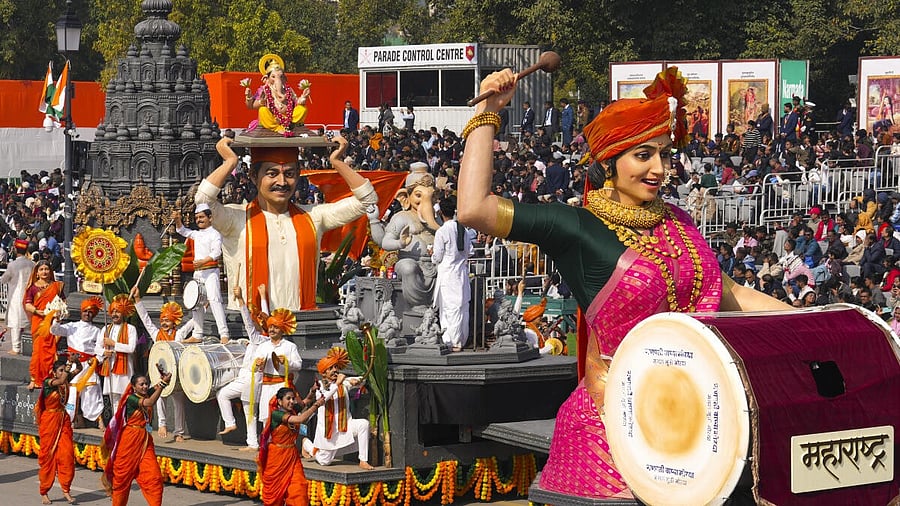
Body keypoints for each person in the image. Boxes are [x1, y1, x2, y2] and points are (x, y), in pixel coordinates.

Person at [457, 67, 790, 499]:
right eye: (644, 155)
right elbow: (474, 209)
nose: (659, 169)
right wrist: (487, 112)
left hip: (697, 429)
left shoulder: (679, 222)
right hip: (610, 438)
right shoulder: (577, 227)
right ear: (609, 162)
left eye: (665, 155)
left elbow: (733, 295)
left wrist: (825, 321)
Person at [195, 135, 377, 314]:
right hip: (250, 323)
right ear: (253, 176)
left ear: (298, 176)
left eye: (289, 174)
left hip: (301, 320)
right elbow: (202, 201)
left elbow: (368, 201)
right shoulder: (236, 218)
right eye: (272, 174)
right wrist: (230, 162)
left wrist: (337, 162)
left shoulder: (313, 216)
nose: (282, 182)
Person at [369, 162, 439, 308]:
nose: (425, 201)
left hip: (433, 263)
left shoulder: (437, 218)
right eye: (418, 196)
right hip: (409, 260)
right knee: (408, 268)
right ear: (405, 197)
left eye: (431, 196)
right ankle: (417, 305)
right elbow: (385, 242)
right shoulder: (402, 217)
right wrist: (400, 243)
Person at [131, 286, 198, 441]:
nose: (164, 323)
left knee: (179, 402)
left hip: (176, 374)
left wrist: (202, 308)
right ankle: (162, 424)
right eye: (162, 320)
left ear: (174, 322)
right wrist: (137, 299)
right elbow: (146, 320)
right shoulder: (156, 335)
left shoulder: (179, 334)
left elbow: (192, 323)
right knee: (160, 397)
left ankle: (179, 432)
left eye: (167, 320)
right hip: (159, 374)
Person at [100, 373, 170, 506]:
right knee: (122, 479)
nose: (145, 386)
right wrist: (163, 384)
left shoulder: (145, 393)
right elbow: (150, 402)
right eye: (141, 384)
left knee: (154, 477)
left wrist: (164, 379)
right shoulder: (131, 398)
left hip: (145, 442)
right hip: (129, 441)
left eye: (146, 383)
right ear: (133, 387)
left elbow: (155, 388)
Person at [301, 347, 374, 470]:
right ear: (324, 373)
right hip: (328, 431)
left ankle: (363, 460)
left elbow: (362, 379)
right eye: (330, 368)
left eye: (335, 367)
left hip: (345, 425)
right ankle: (307, 444)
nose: (335, 370)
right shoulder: (320, 386)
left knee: (363, 424)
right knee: (324, 461)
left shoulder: (343, 383)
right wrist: (337, 384)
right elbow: (324, 398)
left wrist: (358, 380)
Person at [217, 284, 270, 451]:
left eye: (258, 323)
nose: (255, 323)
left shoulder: (258, 339)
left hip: (251, 379)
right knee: (246, 409)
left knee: (230, 398)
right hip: (248, 378)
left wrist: (240, 299)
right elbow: (266, 318)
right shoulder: (263, 340)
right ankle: (249, 440)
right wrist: (263, 297)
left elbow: (248, 321)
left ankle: (237, 428)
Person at [258, 387, 323, 506]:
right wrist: (317, 405)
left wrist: (312, 391)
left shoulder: (292, 410)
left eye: (293, 398)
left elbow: (305, 401)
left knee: (299, 488)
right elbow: (300, 419)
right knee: (274, 498)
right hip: (277, 457)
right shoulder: (276, 414)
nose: (292, 401)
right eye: (288, 399)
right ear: (279, 401)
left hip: (292, 457)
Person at [174, 203, 230, 343]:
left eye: (201, 217)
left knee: (214, 300)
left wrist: (203, 262)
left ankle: (224, 334)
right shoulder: (197, 234)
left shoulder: (215, 234)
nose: (199, 220)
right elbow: (182, 230)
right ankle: (197, 334)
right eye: (197, 218)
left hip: (210, 272)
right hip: (198, 272)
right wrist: (177, 219)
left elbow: (216, 252)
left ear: (210, 218)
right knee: (196, 302)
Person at [49, 296, 105, 429]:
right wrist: (57, 319)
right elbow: (54, 330)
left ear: (94, 314)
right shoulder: (72, 326)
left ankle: (99, 420)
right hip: (73, 365)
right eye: (85, 311)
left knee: (92, 391)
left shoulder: (97, 331)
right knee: (72, 393)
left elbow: (101, 350)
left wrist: (97, 360)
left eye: (90, 312)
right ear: (81, 312)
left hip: (89, 365)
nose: (87, 314)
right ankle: (70, 420)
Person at [36, 357, 81, 505]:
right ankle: (44, 491)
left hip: (63, 420)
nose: (63, 373)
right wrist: (69, 364)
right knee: (48, 457)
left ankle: (66, 489)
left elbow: (79, 369)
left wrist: (76, 360)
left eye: (64, 370)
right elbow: (61, 380)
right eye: (60, 370)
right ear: (54, 373)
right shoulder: (48, 382)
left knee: (67, 455)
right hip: (49, 420)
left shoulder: (65, 379)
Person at [431, 197, 474, 351]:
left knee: (450, 309)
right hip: (461, 273)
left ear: (441, 213)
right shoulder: (464, 230)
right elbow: (470, 251)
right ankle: (460, 340)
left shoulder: (442, 231)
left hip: (448, 274)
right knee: (462, 307)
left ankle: (452, 342)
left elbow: (437, 256)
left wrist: (431, 255)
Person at [252, 308, 302, 427]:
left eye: (275, 327)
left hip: (282, 386)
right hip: (266, 387)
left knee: (283, 418)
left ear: (282, 330)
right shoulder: (262, 347)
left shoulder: (290, 346)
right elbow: (253, 368)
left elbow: (298, 365)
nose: (271, 330)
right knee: (267, 419)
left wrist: (287, 362)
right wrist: (257, 364)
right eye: (270, 327)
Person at [24, 259, 65, 390]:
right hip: (39, 323)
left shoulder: (57, 286)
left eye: (46, 269)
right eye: (41, 269)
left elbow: (62, 302)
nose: (44, 272)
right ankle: (34, 379)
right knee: (38, 352)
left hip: (53, 323)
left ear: (50, 271)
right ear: (37, 273)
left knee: (51, 351)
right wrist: (37, 311)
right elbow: (27, 304)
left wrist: (60, 312)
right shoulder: (33, 288)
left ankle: (50, 378)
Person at [245, 54, 309, 136]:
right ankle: (277, 128)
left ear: (284, 78)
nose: (278, 80)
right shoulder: (264, 90)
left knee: (302, 109)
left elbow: (296, 102)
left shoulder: (288, 89)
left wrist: (303, 98)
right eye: (273, 77)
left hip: (289, 118)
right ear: (266, 78)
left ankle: (290, 124)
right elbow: (251, 106)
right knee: (262, 110)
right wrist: (257, 100)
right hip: (273, 119)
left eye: (281, 77)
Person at [95, 294, 138, 410]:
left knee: (126, 397)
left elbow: (131, 348)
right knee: (113, 399)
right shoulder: (106, 328)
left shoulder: (130, 329)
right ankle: (116, 420)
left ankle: (124, 420)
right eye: (113, 311)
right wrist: (104, 352)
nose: (114, 314)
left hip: (125, 369)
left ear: (123, 313)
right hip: (110, 368)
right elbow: (96, 348)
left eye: (117, 311)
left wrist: (114, 344)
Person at [1, 239, 34, 356]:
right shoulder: (32, 264)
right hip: (30, 296)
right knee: (28, 322)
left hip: (16, 296)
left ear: (15, 249)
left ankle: (16, 347)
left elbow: (4, 279)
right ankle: (29, 346)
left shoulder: (13, 265)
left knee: (15, 323)